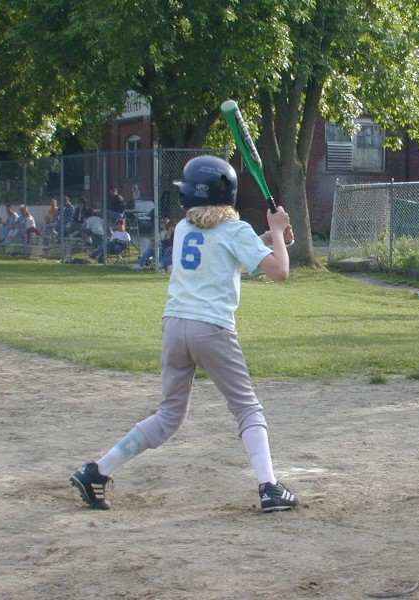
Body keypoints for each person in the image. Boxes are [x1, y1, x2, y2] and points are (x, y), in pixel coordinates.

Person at [70, 155, 299, 513]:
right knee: (246, 408)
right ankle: (270, 487)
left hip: (175, 327)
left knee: (168, 417)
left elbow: (223, 252)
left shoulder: (183, 229)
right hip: (211, 329)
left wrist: (270, 237)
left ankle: (97, 471)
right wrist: (277, 229)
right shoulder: (232, 231)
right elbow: (281, 271)